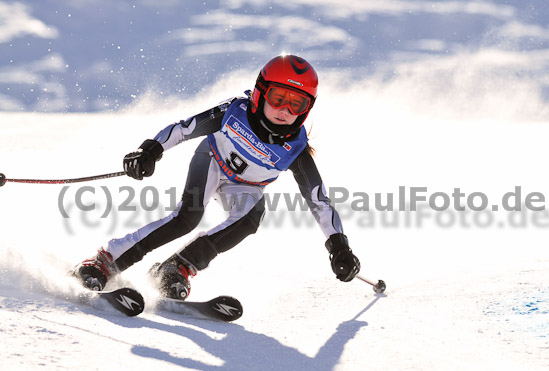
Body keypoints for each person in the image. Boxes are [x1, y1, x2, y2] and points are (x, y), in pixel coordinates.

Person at [73, 54, 361, 299]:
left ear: (306, 109)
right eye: (278, 97)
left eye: (296, 104)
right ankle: (104, 262)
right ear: (260, 92)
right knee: (186, 218)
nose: (284, 110)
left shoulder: (296, 150)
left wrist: (339, 247)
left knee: (250, 219)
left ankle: (176, 268)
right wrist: (150, 150)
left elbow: (319, 201)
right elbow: (185, 128)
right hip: (211, 161)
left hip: (245, 187)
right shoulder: (234, 112)